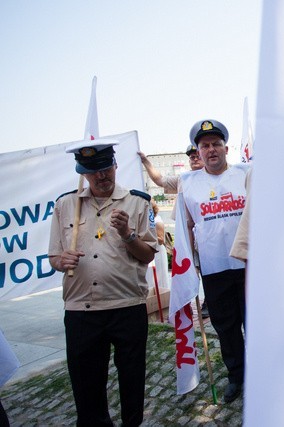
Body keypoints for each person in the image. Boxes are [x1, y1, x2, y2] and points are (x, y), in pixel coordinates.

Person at [48, 139, 158, 426]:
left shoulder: (137, 202)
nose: (101, 176)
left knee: (132, 378)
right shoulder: (64, 205)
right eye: (93, 170)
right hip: (81, 311)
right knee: (86, 387)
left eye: (106, 168)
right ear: (83, 172)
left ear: (115, 165)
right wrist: (62, 261)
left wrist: (127, 233)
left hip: (127, 306)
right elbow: (54, 257)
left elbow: (147, 256)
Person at [180, 119, 249, 403]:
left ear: (226, 148)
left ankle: (264, 373)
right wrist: (187, 269)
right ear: (198, 151)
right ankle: (237, 376)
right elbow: (184, 230)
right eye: (205, 145)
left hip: (249, 266)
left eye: (216, 144)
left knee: (256, 323)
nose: (211, 150)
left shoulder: (247, 174)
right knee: (226, 327)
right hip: (214, 269)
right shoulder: (188, 184)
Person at [138, 147, 210, 318]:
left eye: (196, 155)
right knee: (191, 270)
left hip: (208, 234)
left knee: (209, 271)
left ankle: (210, 302)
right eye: (191, 157)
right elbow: (159, 180)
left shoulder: (214, 177)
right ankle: (192, 303)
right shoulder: (183, 179)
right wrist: (145, 161)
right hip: (188, 235)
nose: (193, 159)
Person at [150, 200, 170, 289]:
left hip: (158, 254)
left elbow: (161, 240)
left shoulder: (157, 221)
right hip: (151, 252)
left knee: (160, 279)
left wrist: (147, 235)